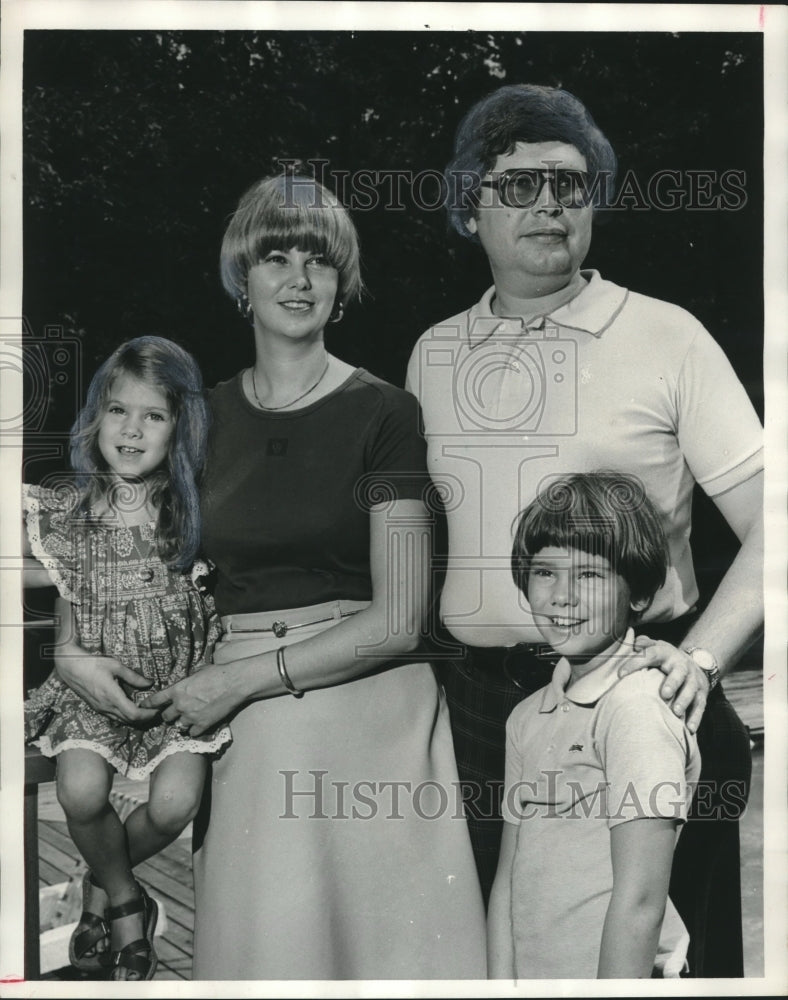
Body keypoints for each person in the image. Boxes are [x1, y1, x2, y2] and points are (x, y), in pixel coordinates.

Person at [56, 173, 487, 980]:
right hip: (249, 729)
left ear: (342, 283)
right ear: (242, 281)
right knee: (270, 962)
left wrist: (237, 681)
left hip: (372, 719)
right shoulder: (197, 419)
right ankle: (114, 892)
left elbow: (402, 617)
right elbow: (107, 541)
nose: (299, 278)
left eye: (318, 260)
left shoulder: (386, 413)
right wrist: (70, 652)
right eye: (276, 258)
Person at [405, 83, 763, 977]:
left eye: (570, 184)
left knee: (664, 962)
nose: (550, 204)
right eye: (519, 185)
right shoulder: (432, 354)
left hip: (642, 701)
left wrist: (703, 659)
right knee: (510, 957)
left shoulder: (668, 336)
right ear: (469, 209)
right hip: (484, 715)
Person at [22, 336, 230, 981]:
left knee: (174, 806)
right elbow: (65, 612)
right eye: (118, 410)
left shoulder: (195, 511)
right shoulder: (70, 513)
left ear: (180, 428)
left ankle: (101, 883)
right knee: (81, 792)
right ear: (96, 417)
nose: (132, 430)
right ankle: (127, 903)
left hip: (176, 689)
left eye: (153, 415)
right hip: (92, 691)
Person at [488, 471, 700, 979]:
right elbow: (507, 882)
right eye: (545, 571)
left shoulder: (636, 708)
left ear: (638, 595)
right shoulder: (526, 716)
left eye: (588, 575)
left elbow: (641, 902)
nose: (562, 596)